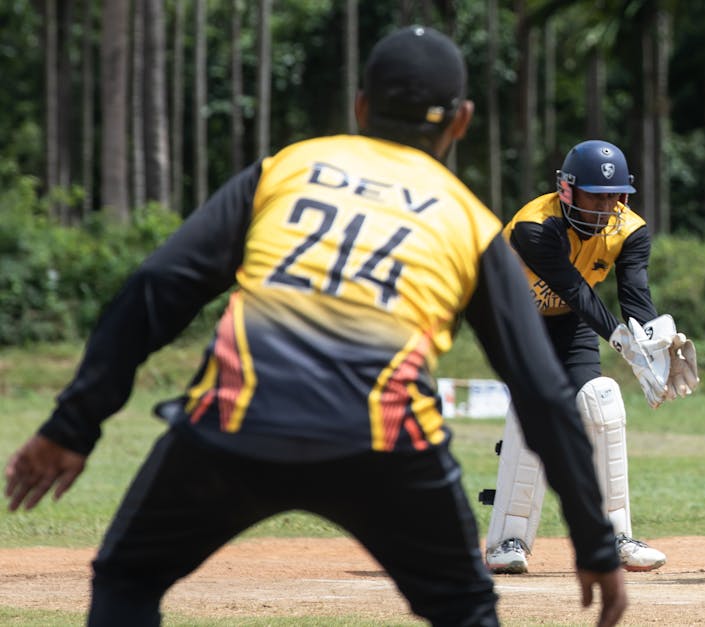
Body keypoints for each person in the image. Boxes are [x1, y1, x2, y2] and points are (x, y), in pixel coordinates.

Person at [3, 26, 628, 626]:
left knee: (127, 579)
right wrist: (595, 543)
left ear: (361, 106)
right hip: (383, 445)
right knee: (465, 611)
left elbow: (154, 291)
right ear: (462, 120)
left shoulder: (286, 170)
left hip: (237, 422)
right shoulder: (467, 220)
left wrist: (72, 425)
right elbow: (542, 389)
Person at [482, 139, 699, 575]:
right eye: (595, 195)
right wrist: (624, 345)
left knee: (603, 400)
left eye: (614, 195)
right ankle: (508, 541)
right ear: (567, 191)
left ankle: (616, 536)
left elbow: (635, 295)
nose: (605, 206)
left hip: (569, 323)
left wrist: (654, 343)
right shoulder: (534, 227)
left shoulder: (631, 230)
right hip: (513, 317)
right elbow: (575, 290)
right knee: (536, 407)